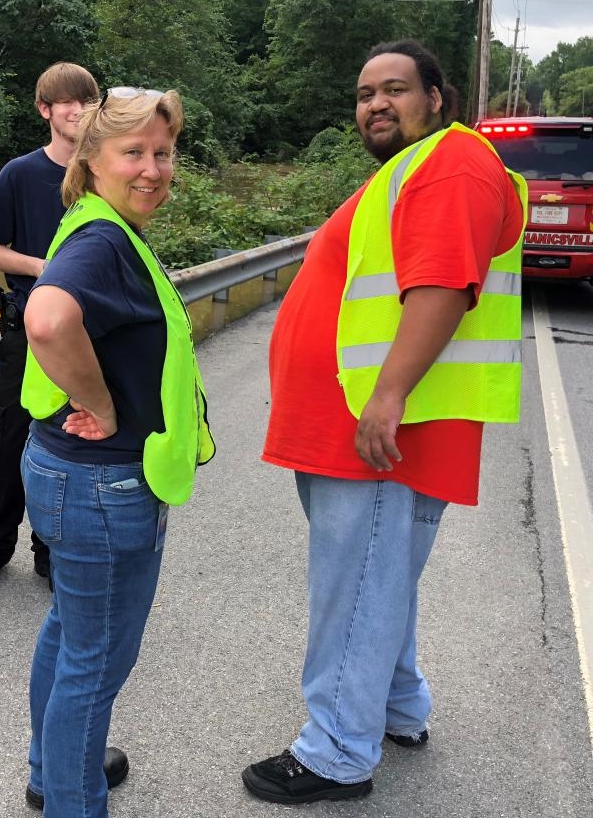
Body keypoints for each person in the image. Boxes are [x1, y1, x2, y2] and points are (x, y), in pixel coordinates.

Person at [242, 40, 527, 805]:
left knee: (358, 584)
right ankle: (398, 707)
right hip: (354, 428)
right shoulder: (409, 174)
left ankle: (336, 752)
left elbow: (443, 284)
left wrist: (388, 394)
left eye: (395, 89)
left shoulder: (453, 163)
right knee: (377, 579)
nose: (375, 103)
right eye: (365, 93)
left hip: (375, 432)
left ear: (437, 98)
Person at [19, 87, 215, 816]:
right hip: (103, 488)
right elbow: (46, 316)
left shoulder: (97, 224)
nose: (154, 168)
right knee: (95, 661)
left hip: (68, 477)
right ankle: (74, 798)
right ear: (91, 159)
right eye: (133, 152)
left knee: (73, 634)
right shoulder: (103, 240)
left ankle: (52, 770)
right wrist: (100, 405)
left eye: (163, 152)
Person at [0, 62, 99, 593]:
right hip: (26, 328)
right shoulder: (19, 174)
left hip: (85, 332)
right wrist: (44, 268)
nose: (78, 111)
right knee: (10, 436)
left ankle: (49, 551)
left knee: (67, 440)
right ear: (45, 110)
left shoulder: (101, 173)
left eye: (87, 102)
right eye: (67, 103)